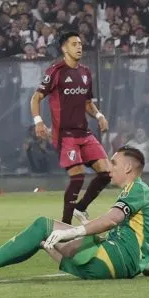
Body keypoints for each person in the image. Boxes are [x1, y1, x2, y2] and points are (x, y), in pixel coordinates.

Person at [0, 147, 149, 282]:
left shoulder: (135, 190)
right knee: (43, 236)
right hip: (121, 263)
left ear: (128, 167)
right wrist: (148, 261)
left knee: (42, 227)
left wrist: (76, 230)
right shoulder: (145, 193)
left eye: (114, 162)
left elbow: (112, 219)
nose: (109, 167)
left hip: (114, 259)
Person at [31, 30, 112, 224]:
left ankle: (81, 208)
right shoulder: (55, 71)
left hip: (84, 133)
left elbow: (87, 103)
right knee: (78, 176)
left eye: (80, 44)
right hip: (64, 135)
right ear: (64, 48)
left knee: (106, 173)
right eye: (74, 44)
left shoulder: (85, 72)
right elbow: (36, 97)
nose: (79, 47)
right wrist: (38, 121)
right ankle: (65, 225)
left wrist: (99, 115)